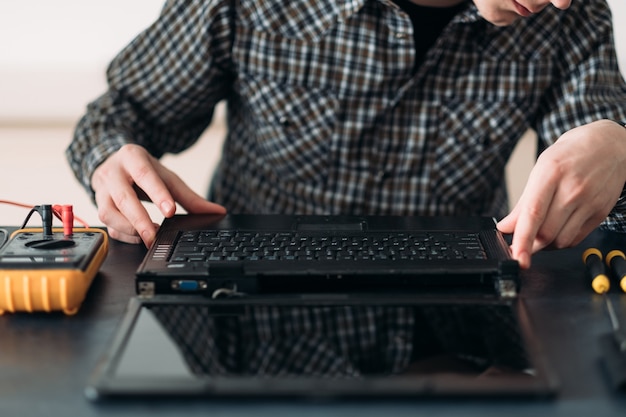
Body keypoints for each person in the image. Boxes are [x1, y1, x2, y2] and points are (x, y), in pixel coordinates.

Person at [67, 0, 626, 269]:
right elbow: (115, 116)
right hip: (249, 324)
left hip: (463, 336)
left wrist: (619, 150)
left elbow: (599, 199)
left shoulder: (572, 15)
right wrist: (110, 159)